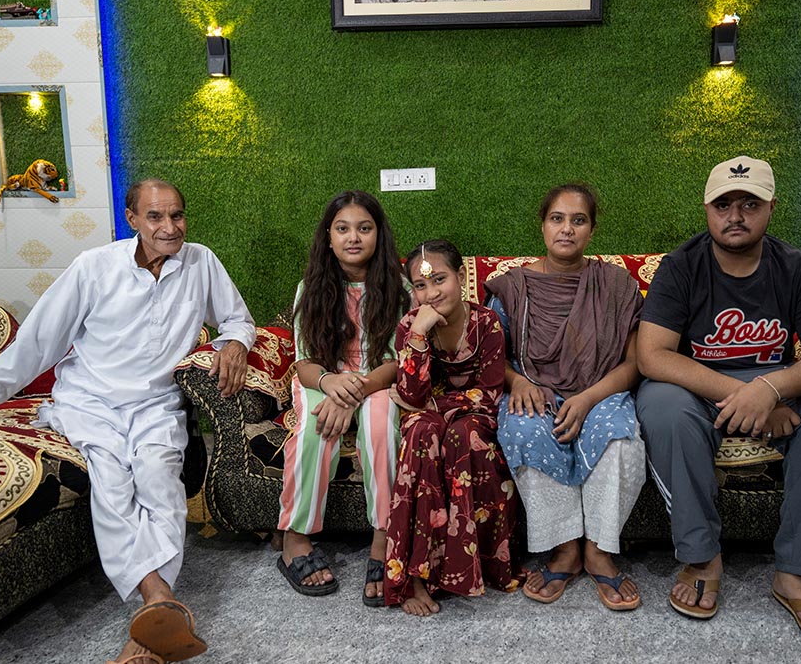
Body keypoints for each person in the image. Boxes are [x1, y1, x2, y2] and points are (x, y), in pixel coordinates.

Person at [0, 179, 256, 664]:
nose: (170, 227)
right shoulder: (93, 268)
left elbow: (239, 319)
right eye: (156, 217)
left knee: (159, 478)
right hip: (89, 403)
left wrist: (235, 344)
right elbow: (32, 347)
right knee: (110, 479)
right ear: (132, 219)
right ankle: (157, 601)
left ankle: (151, 621)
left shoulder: (201, 261)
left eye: (178, 216)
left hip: (157, 405)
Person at [636, 156, 801, 648]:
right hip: (699, 387)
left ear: (770, 208)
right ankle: (701, 556)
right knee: (663, 407)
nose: (735, 215)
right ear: (707, 210)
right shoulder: (681, 266)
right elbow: (652, 356)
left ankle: (798, 572)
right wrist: (749, 396)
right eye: (723, 204)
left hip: (774, 384)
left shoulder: (795, 267)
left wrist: (773, 388)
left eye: (749, 203)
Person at [485, 183, 646, 610]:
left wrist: (589, 398)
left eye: (579, 221)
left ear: (592, 230)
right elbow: (490, 355)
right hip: (534, 389)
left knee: (619, 435)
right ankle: (564, 549)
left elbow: (635, 363)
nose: (567, 230)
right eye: (557, 219)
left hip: (601, 390)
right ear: (542, 226)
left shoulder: (616, 285)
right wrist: (517, 382)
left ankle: (598, 548)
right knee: (522, 427)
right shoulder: (512, 287)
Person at [276, 191, 409, 606]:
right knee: (317, 428)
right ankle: (295, 538)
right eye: (343, 228)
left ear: (378, 235)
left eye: (364, 228)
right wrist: (333, 385)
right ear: (328, 238)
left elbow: (395, 362)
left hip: (377, 382)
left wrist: (357, 391)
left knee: (380, 422)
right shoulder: (310, 288)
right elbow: (305, 362)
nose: (354, 237)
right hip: (325, 378)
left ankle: (383, 536)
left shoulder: (399, 288)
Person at [384, 239, 524, 617]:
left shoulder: (486, 323)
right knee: (420, 434)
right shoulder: (410, 326)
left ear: (461, 277)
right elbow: (412, 394)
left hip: (472, 417)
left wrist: (435, 408)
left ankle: (475, 566)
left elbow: (489, 391)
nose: (431, 293)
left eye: (440, 280)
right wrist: (418, 336)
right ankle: (415, 580)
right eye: (420, 286)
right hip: (429, 417)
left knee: (465, 436)